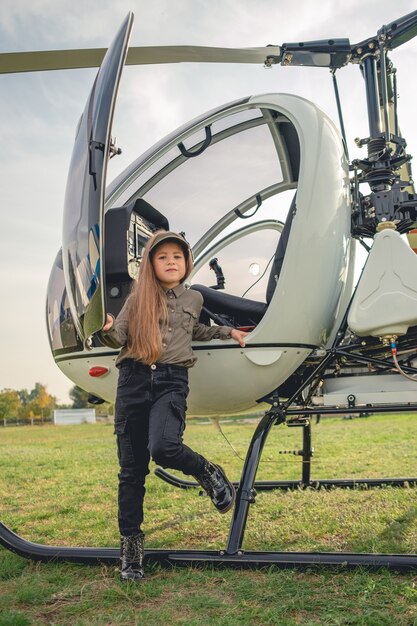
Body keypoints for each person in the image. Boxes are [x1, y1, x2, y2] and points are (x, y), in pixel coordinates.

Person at [103, 230, 249, 581]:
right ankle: (131, 548)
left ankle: (207, 470)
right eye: (163, 257)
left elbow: (194, 330)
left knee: (165, 446)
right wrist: (106, 329)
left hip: (171, 381)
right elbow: (119, 334)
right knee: (131, 472)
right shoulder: (137, 299)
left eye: (177, 257)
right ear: (151, 264)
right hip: (133, 382)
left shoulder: (194, 298)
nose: (171, 262)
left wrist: (227, 333)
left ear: (186, 263)